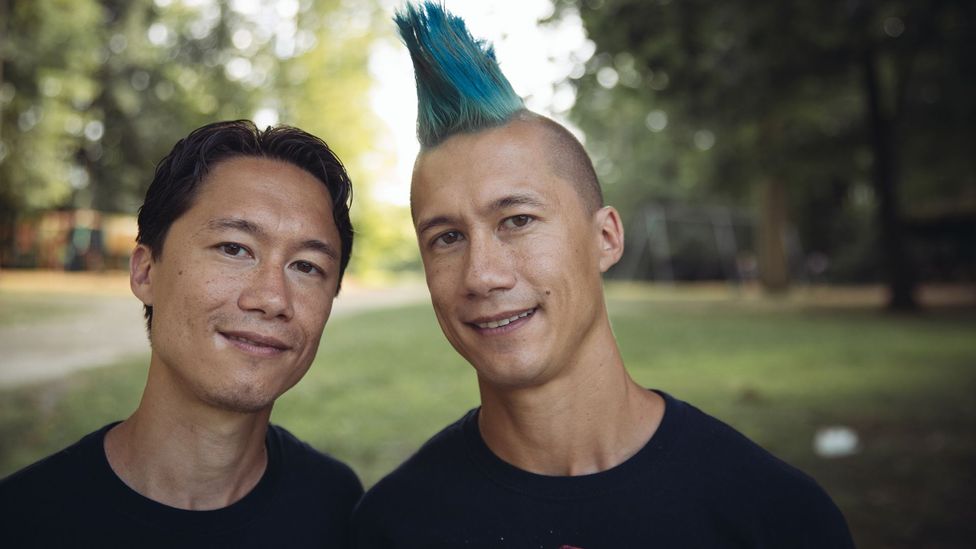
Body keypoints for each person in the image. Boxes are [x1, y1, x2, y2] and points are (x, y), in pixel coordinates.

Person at [351, 4, 855, 548]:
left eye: (517, 220)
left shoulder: (774, 516)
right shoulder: (392, 527)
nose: (483, 275)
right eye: (446, 237)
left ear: (606, 239)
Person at [1, 120, 363, 548]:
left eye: (306, 266)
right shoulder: (22, 520)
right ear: (145, 271)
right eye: (234, 248)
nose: (271, 298)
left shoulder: (340, 511)